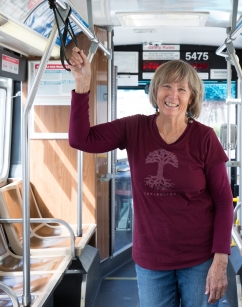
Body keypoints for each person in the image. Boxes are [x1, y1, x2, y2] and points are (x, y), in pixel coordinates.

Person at [68, 46, 233, 307]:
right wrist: (82, 83)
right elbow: (81, 139)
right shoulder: (134, 127)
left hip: (200, 258)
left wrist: (221, 261)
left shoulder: (204, 137)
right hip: (152, 259)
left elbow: (224, 202)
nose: (173, 94)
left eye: (182, 89)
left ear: (191, 98)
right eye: (166, 86)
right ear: (155, 91)